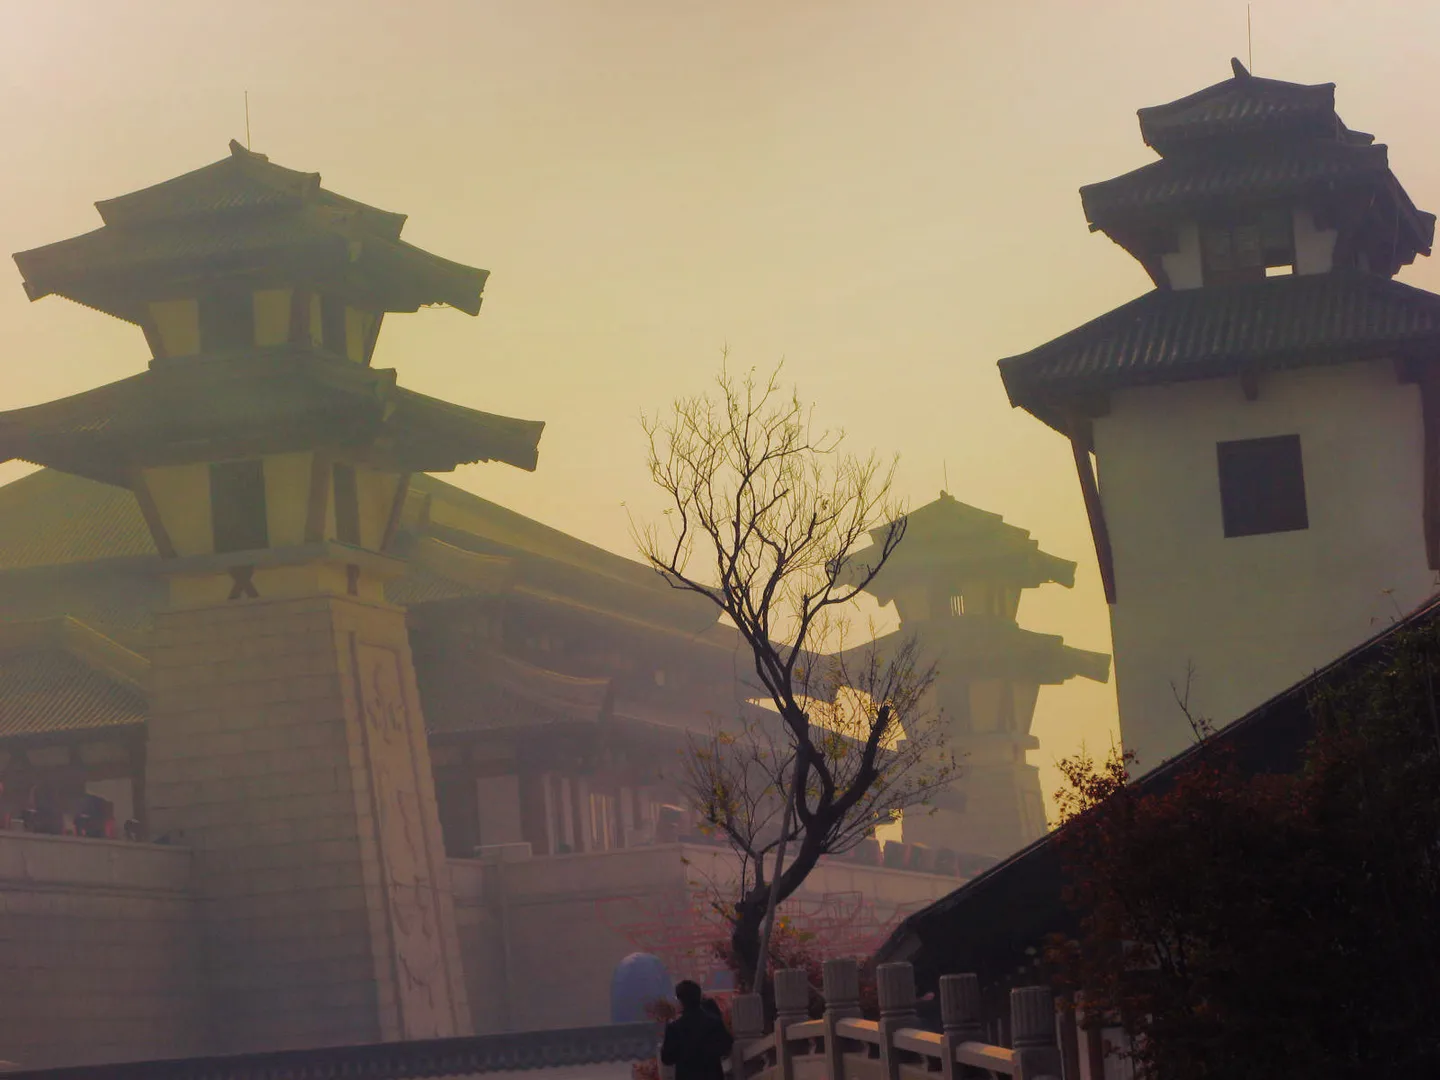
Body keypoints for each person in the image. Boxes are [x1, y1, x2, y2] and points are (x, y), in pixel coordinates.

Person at [660, 979, 733, 1080]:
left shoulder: (674, 1028)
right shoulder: (714, 1022)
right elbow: (726, 1046)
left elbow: (667, 1059)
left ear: (680, 1001)